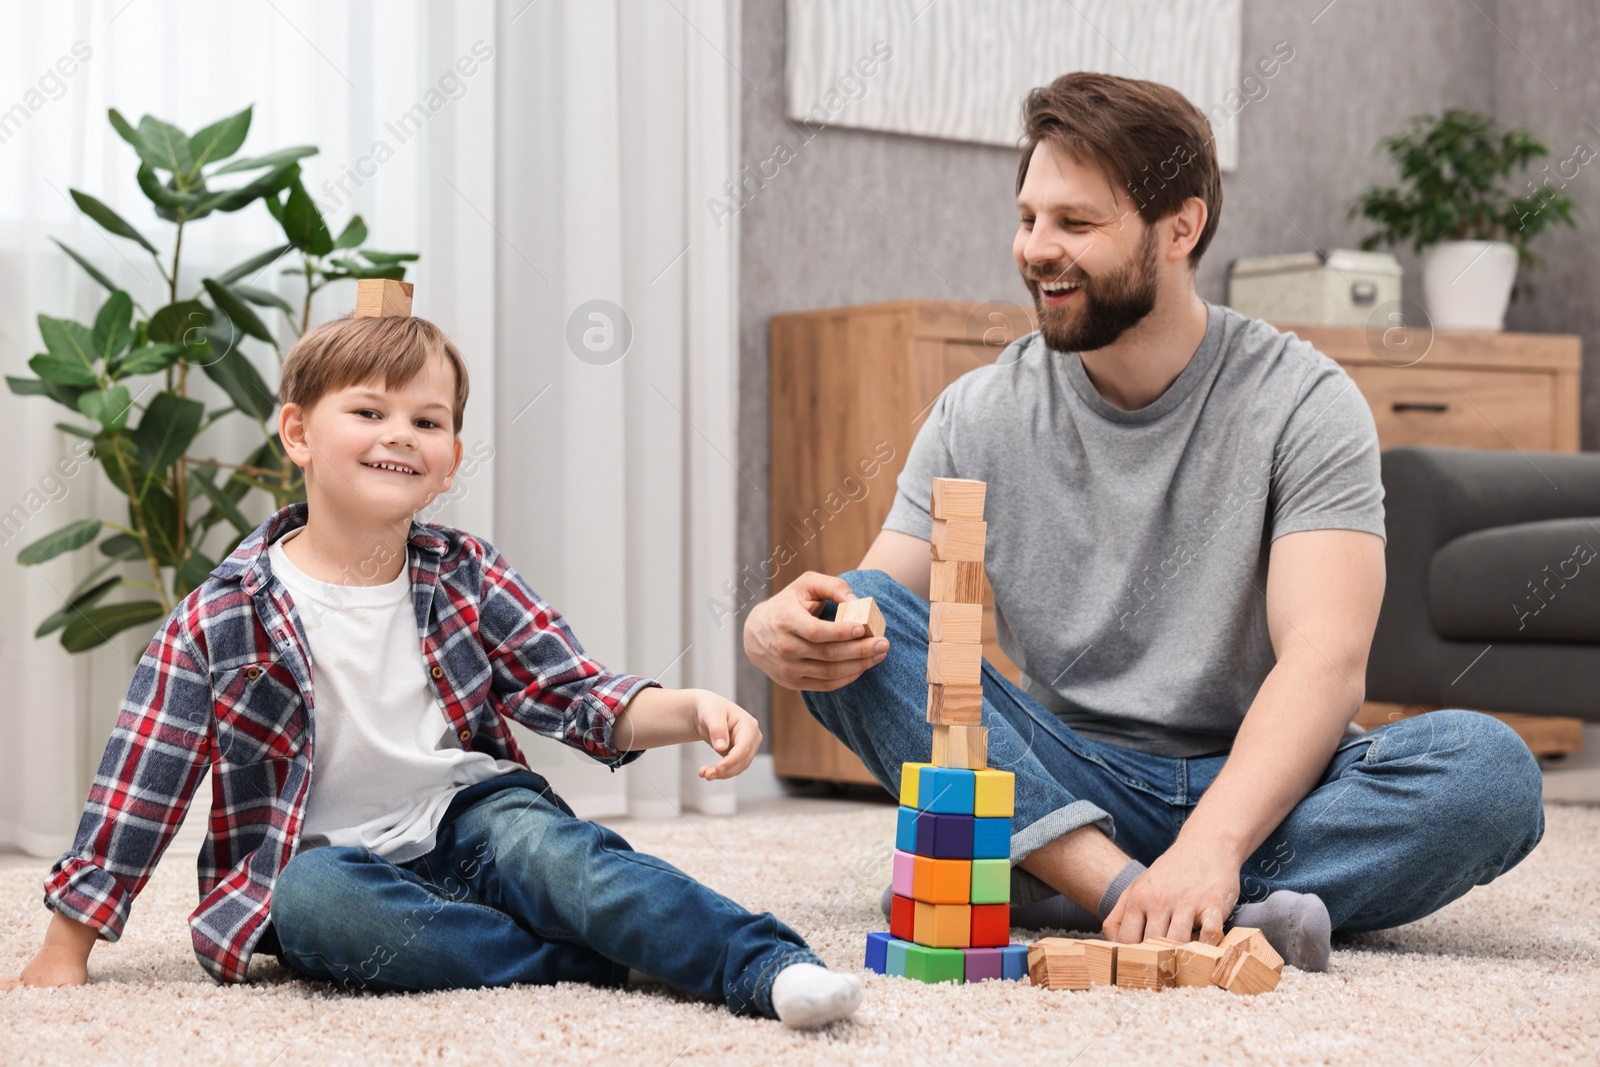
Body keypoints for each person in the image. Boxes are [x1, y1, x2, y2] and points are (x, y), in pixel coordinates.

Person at [743, 72, 1544, 971]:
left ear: (1181, 228)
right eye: (1028, 218)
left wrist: (1214, 841)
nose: (1036, 249)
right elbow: (877, 606)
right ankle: (1135, 894)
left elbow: (1327, 658)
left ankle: (1067, 881)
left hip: (1259, 778)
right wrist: (786, 629)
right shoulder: (979, 413)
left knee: (1488, 773)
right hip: (1066, 766)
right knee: (856, 629)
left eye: (1075, 224)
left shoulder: (1305, 400)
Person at [3, 311, 861, 1029]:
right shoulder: (219, 615)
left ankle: (761, 966)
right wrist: (63, 947)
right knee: (315, 904)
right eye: (369, 412)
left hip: (473, 816)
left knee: (572, 861)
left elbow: (572, 691)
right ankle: (579, 958)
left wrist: (696, 706)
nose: (399, 437)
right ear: (298, 433)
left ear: (451, 456)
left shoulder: (465, 572)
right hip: (329, 860)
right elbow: (139, 784)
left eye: (427, 421)